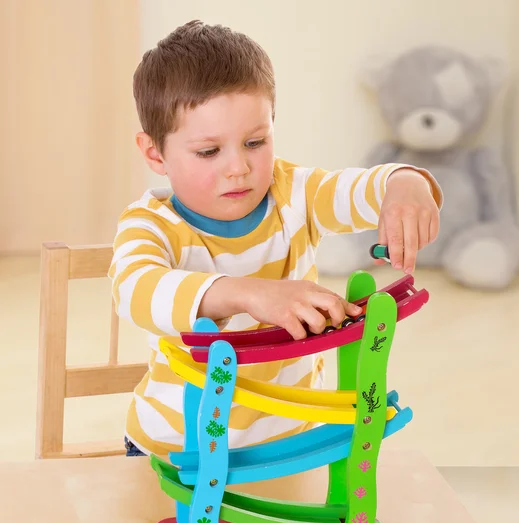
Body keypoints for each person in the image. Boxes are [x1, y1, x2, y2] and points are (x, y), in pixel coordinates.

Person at [109, 20, 443, 457]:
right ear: (155, 153)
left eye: (255, 141)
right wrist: (249, 294)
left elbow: (363, 190)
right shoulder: (150, 224)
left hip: (293, 441)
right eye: (209, 151)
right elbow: (133, 289)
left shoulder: (294, 193)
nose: (238, 168)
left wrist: (407, 183)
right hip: (177, 451)